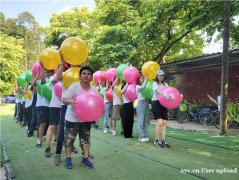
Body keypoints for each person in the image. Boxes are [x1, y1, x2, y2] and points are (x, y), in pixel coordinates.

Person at [62, 66, 96, 169]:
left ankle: (85, 159)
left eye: (88, 74)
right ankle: (68, 159)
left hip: (86, 119)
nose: (86, 75)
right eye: (84, 73)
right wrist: (72, 101)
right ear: (80, 76)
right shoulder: (74, 87)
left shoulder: (93, 89)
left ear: (91, 77)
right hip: (72, 118)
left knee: (85, 140)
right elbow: (64, 100)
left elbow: (96, 103)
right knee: (69, 140)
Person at [151, 70, 171, 147]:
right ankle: (156, 140)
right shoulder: (154, 83)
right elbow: (158, 91)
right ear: (157, 76)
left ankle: (163, 140)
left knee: (164, 122)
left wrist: (177, 97)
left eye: (163, 75)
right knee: (159, 122)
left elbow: (170, 92)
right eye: (160, 75)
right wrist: (165, 95)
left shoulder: (165, 84)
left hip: (164, 104)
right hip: (156, 103)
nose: (162, 76)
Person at [136, 75, 150, 142]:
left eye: (143, 78)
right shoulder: (137, 86)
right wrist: (146, 78)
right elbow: (143, 86)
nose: (142, 79)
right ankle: (141, 136)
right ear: (138, 80)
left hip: (146, 102)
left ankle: (145, 135)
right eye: (141, 78)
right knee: (140, 120)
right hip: (141, 103)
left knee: (146, 120)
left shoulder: (147, 86)